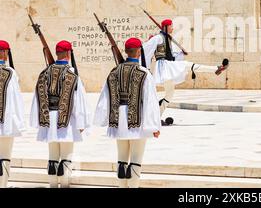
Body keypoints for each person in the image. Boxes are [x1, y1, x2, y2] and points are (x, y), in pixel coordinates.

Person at [94, 38, 161, 188]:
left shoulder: (114, 72)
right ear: (139, 52)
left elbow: (105, 97)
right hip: (137, 120)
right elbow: (150, 101)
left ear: (126, 51)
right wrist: (154, 126)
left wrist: (103, 120)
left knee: (122, 159)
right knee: (136, 158)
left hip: (118, 120)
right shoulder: (144, 73)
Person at [143, 19, 229, 125]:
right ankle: (216, 69)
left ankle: (157, 117)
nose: (172, 28)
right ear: (165, 27)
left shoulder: (167, 38)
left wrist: (181, 52)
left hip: (168, 67)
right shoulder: (158, 38)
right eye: (171, 26)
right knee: (187, 65)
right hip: (164, 67)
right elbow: (145, 49)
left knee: (170, 94)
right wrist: (144, 68)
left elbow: (172, 55)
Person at [30, 40, 90, 188]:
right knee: (66, 157)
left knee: (52, 158)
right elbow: (78, 100)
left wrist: (38, 121)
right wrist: (81, 123)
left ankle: (52, 185)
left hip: (49, 120)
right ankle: (64, 186)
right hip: (67, 121)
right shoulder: (72, 73)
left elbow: (37, 98)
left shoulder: (44, 73)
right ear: (69, 54)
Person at [0, 40, 25, 188]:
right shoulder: (11, 73)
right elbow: (16, 99)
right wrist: (19, 122)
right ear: (5, 53)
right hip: (6, 123)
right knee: (4, 157)